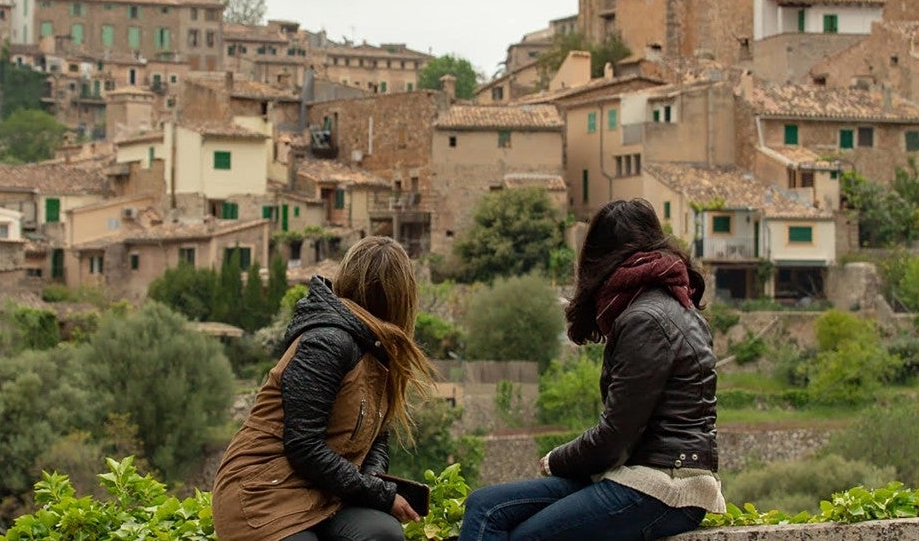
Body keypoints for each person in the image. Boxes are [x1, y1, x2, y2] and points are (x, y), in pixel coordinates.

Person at [458, 198, 725, 541]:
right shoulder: (678, 307)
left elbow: (615, 438)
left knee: (523, 534)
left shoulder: (644, 320)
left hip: (663, 485)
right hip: (644, 474)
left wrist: (556, 460)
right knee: (485, 506)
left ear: (598, 260)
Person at [212, 235, 434, 541]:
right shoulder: (327, 342)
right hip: (265, 491)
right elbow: (303, 445)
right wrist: (382, 495)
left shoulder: (381, 352)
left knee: (383, 534)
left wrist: (371, 484)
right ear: (402, 297)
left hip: (325, 492)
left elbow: (377, 439)